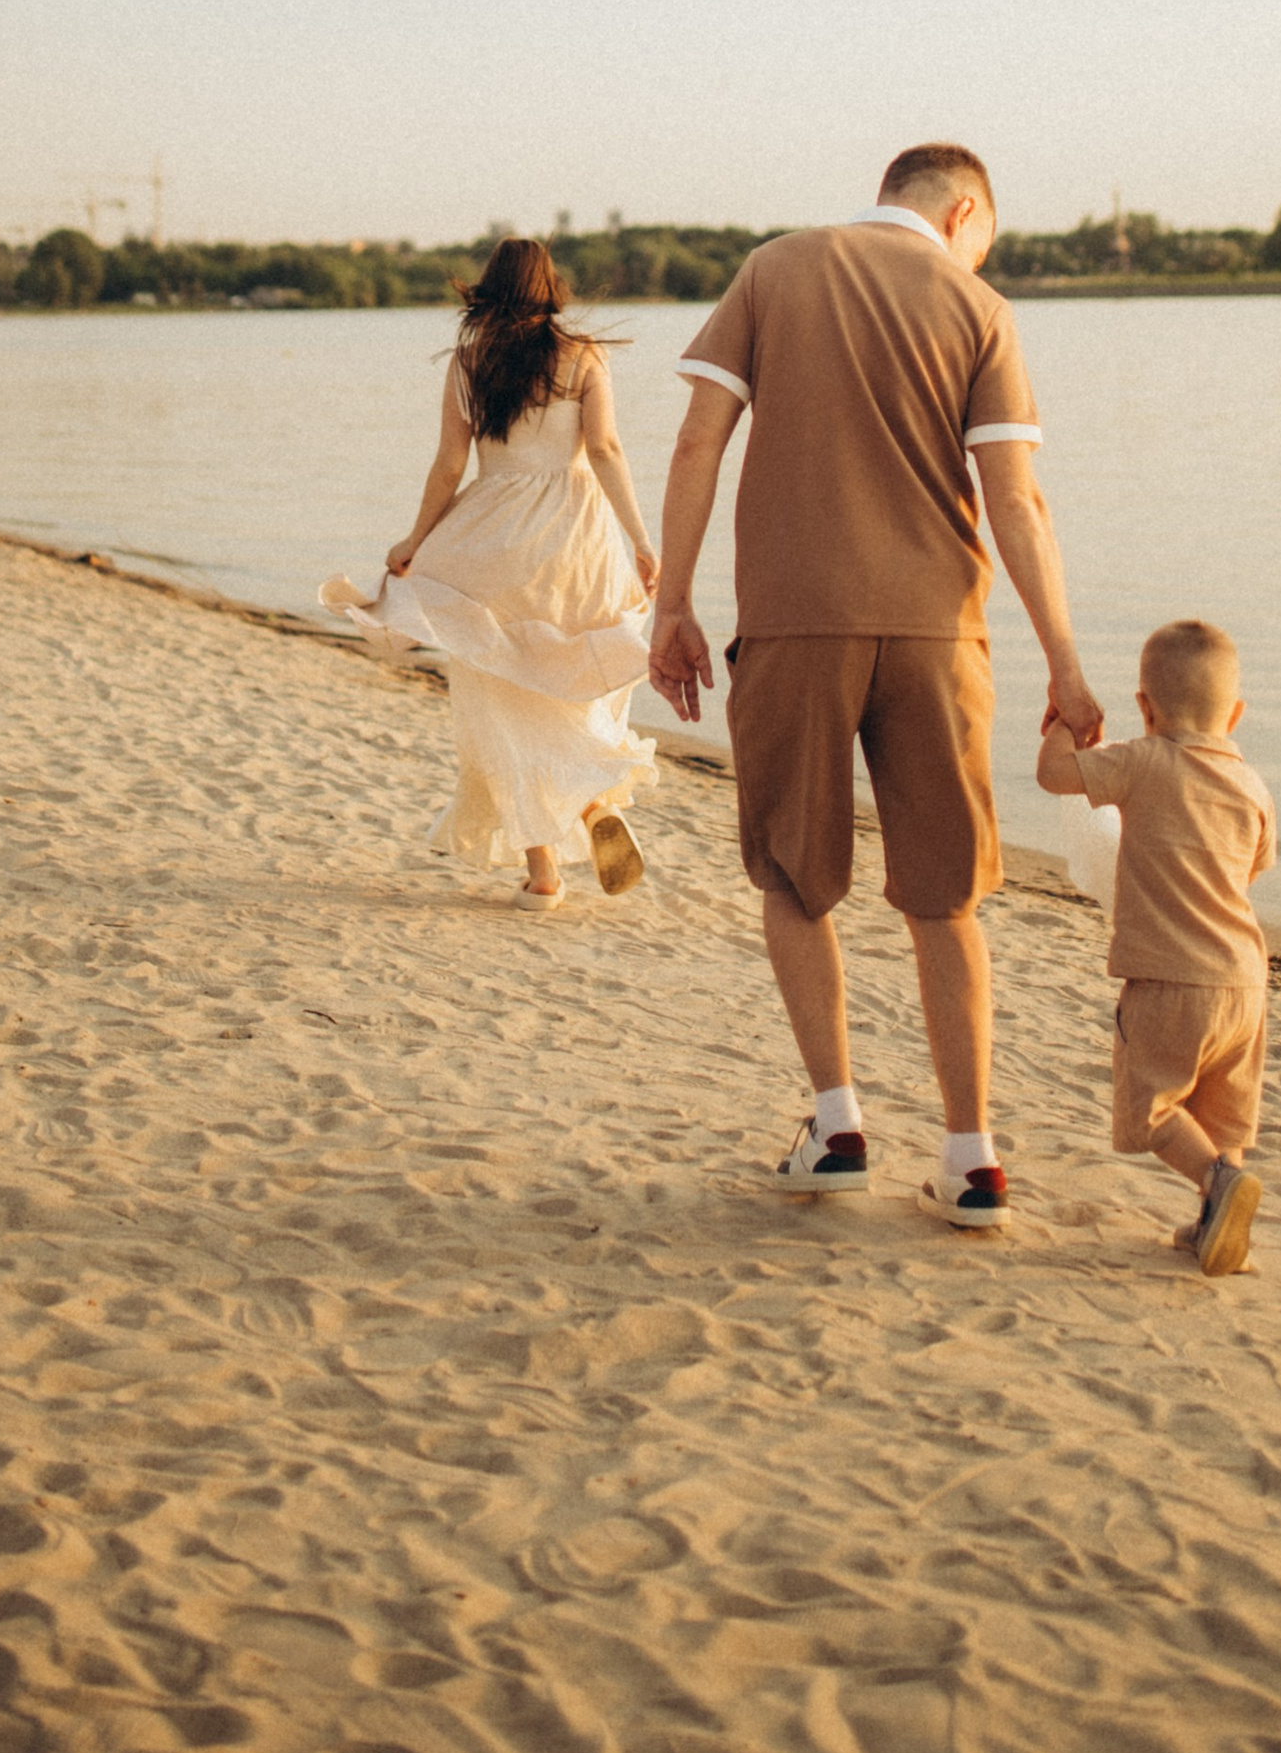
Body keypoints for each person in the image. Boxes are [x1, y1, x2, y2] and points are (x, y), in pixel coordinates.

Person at [647, 144, 1102, 1229]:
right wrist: (1065, 660)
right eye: (987, 238)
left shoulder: (774, 269)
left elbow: (697, 445)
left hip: (794, 620)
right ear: (965, 210)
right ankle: (972, 1159)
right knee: (946, 898)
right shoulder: (980, 308)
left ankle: (838, 1125)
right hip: (939, 632)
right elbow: (1016, 502)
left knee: (794, 878)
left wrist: (672, 604)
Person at [321, 239, 658, 904]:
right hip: (576, 538)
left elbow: (450, 465)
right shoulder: (583, 356)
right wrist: (642, 540)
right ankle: (590, 800)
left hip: (492, 538)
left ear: (489, 287)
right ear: (550, 287)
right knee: (574, 680)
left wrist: (415, 540)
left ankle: (545, 873)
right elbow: (605, 449)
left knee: (497, 700)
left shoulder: (470, 361)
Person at [1036, 617, 1273, 1278]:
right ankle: (1217, 1221)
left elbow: (1053, 776)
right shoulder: (1253, 786)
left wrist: (1063, 724)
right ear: (1236, 713)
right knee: (1223, 1117)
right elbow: (1254, 867)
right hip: (1246, 982)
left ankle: (1220, 1183)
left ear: (1144, 707)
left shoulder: (1141, 761)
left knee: (1153, 1107)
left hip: (1170, 978)